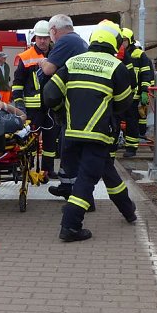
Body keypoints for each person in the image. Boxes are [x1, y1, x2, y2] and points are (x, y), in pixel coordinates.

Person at [43, 23, 138, 242]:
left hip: (72, 134)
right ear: (114, 43)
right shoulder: (117, 66)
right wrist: (107, 111)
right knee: (86, 180)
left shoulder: (72, 63)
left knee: (107, 171)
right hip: (98, 135)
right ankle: (70, 226)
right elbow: (124, 103)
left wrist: (61, 114)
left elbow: (50, 94)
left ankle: (128, 209)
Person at [39, 14, 89, 195]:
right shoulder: (80, 42)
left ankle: (75, 193)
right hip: (79, 102)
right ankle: (67, 186)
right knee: (67, 147)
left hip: (71, 104)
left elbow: (48, 69)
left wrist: (43, 61)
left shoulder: (65, 42)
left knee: (70, 147)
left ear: (53, 31)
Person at [12, 19, 57, 180]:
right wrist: (19, 104)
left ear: (50, 38)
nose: (42, 40)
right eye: (39, 37)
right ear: (35, 39)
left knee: (51, 141)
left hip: (52, 107)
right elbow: (17, 83)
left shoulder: (56, 54)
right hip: (33, 108)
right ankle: (28, 167)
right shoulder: (26, 56)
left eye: (45, 37)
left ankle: (48, 170)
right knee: (30, 140)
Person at [117, 29, 155, 154]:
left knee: (132, 121)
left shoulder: (139, 55)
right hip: (119, 95)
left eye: (124, 40)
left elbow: (146, 74)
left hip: (133, 95)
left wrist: (144, 91)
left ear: (130, 40)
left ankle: (131, 148)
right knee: (116, 121)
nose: (122, 43)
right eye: (121, 40)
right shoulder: (117, 54)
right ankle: (115, 144)